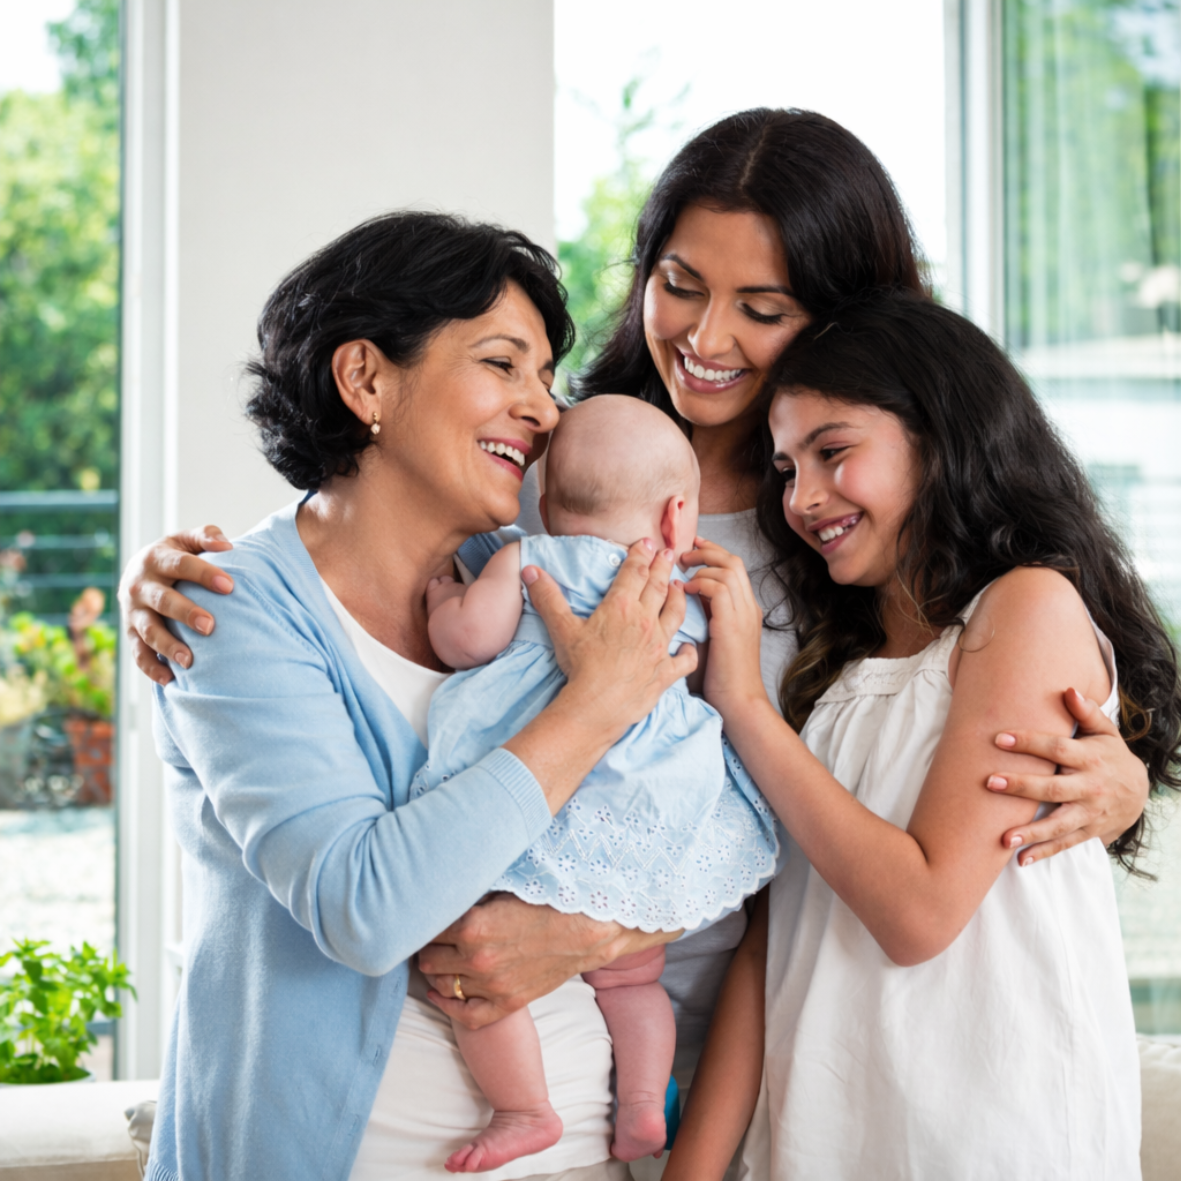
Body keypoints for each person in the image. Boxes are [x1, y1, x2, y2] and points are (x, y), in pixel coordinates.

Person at [121, 109, 1152, 1166]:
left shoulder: (854, 541)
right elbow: (370, 526)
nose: (704, 341)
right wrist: (181, 577)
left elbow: (912, 756)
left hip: (749, 1053)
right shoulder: (564, 455)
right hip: (604, 1081)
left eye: (761, 307)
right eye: (677, 285)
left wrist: (1112, 773)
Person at [142, 211, 701, 1181]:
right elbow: (363, 905)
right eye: (502, 363)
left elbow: (697, 819)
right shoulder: (230, 610)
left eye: (545, 378)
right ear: (365, 378)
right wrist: (592, 705)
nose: (544, 411)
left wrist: (587, 930)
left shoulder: (537, 577)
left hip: (584, 1157)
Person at [666, 291, 1181, 1179]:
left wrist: (742, 704)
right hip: (823, 1130)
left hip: (982, 1134)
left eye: (833, 452)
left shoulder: (1023, 608)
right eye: (786, 468)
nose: (803, 496)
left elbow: (918, 913)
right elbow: (773, 935)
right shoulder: (838, 670)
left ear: (940, 439)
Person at [418, 396, 778, 1172]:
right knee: (631, 981)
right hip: (646, 821)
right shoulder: (687, 588)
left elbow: (464, 640)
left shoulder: (528, 555)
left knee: (469, 970)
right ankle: (645, 1108)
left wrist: (444, 600)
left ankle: (522, 1106)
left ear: (541, 502)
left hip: (547, 811)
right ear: (680, 519)